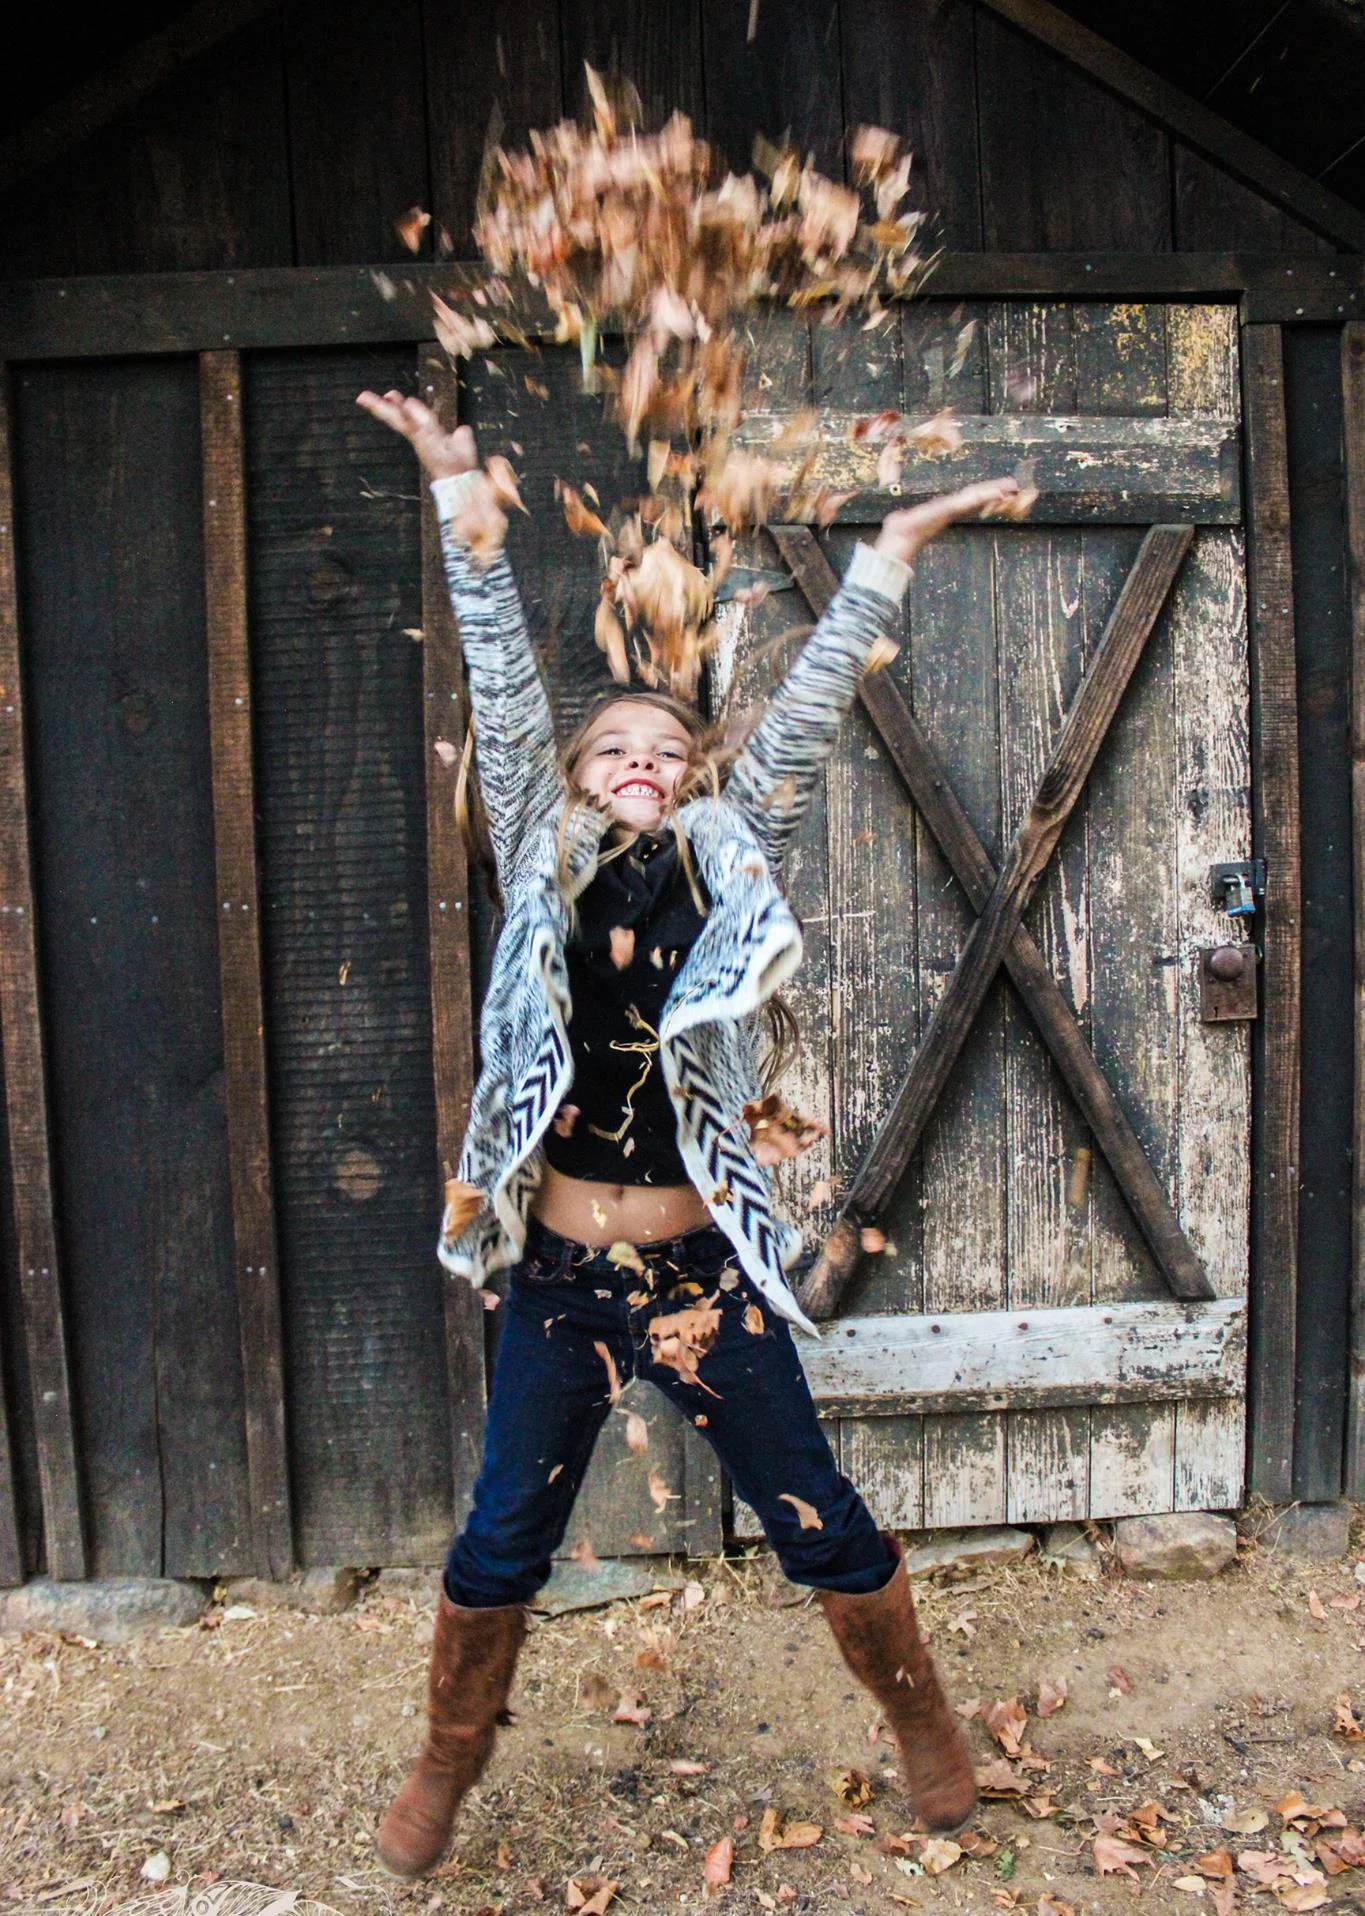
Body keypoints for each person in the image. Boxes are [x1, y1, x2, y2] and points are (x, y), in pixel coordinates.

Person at [356, 386, 1019, 1880]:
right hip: (560, 1285)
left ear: (698, 775)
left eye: (666, 747)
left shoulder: (730, 860)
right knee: (500, 1543)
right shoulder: (540, 855)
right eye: (613, 751)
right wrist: (464, 506)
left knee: (816, 1516)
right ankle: (448, 1761)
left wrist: (892, 554)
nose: (640, 759)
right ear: (575, 782)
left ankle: (922, 1721)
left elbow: (815, 701)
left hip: (705, 1277)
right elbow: (504, 688)